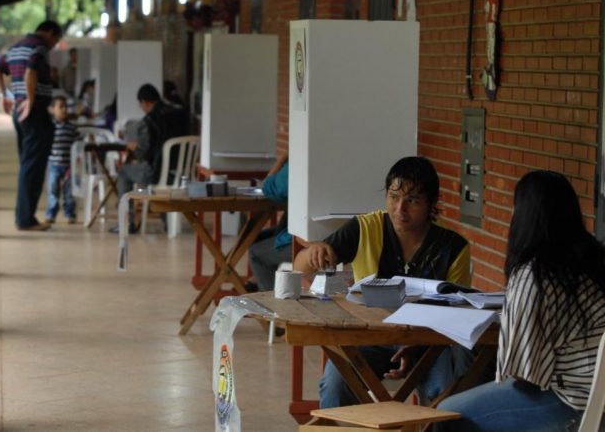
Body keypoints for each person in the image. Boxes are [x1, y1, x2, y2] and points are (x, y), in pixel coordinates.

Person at [294, 156, 473, 408]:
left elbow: (456, 316)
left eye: (412, 200)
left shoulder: (453, 247)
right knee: (334, 384)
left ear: (431, 203)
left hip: (429, 344)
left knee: (445, 396)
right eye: (393, 197)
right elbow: (300, 267)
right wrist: (314, 252)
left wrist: (415, 347)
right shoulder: (365, 228)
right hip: (369, 339)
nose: (400, 209)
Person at [435, 170, 605, 432]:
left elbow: (524, 374)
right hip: (594, 397)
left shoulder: (534, 276)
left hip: (570, 403)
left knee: (446, 415)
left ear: (526, 216)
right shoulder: (591, 258)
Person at [0, 20, 63, 231]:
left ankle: (24, 216)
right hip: (34, 112)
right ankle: (25, 219)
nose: (54, 44)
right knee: (33, 167)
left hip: (20, 111)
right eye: (56, 40)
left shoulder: (16, 47)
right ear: (49, 33)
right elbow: (31, 71)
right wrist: (30, 99)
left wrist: (4, 94)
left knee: (27, 165)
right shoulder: (39, 47)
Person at [110, 83, 188, 233]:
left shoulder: (149, 121)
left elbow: (146, 154)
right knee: (163, 178)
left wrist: (135, 149)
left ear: (144, 102)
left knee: (124, 172)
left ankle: (127, 223)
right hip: (181, 174)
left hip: (156, 174)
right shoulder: (181, 114)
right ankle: (167, 223)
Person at [246, 154, 291, 292]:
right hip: (328, 234)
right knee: (255, 238)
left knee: (256, 254)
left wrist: (283, 158)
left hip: (307, 242)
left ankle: (271, 306)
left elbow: (270, 188)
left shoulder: (302, 157)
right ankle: (258, 281)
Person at [45, 96, 79, 224]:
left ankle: (70, 213)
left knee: (69, 192)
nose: (64, 109)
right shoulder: (49, 127)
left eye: (66, 107)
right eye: (60, 107)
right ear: (52, 110)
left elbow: (77, 143)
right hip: (53, 164)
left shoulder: (71, 128)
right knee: (53, 190)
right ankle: (51, 213)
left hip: (69, 166)